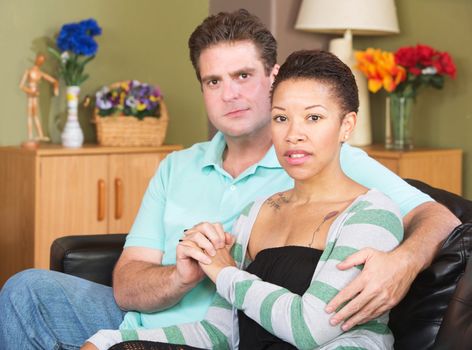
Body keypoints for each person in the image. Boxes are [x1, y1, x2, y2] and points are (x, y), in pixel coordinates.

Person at [0, 9, 459, 350]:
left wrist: (401, 264)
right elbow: (128, 284)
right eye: (213, 81)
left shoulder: (323, 158)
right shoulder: (181, 169)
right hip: (168, 322)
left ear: (273, 77)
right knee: (26, 290)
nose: (231, 94)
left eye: (243, 75)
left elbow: (436, 216)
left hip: (258, 325)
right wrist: (182, 276)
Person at [83, 49, 404, 350]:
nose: (294, 134)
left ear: (346, 125)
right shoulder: (257, 213)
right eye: (281, 118)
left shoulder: (372, 214)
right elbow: (222, 332)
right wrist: (110, 340)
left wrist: (224, 273)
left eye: (314, 118)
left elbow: (313, 327)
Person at [19, 53, 59, 143]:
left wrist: (56, 87)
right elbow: (21, 86)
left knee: (35, 114)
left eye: (42, 61)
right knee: (29, 114)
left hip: (35, 95)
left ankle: (40, 135)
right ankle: (30, 135)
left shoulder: (40, 73)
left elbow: (53, 80)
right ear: (36, 59)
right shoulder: (28, 71)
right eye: (39, 59)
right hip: (31, 94)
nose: (40, 62)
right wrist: (30, 91)